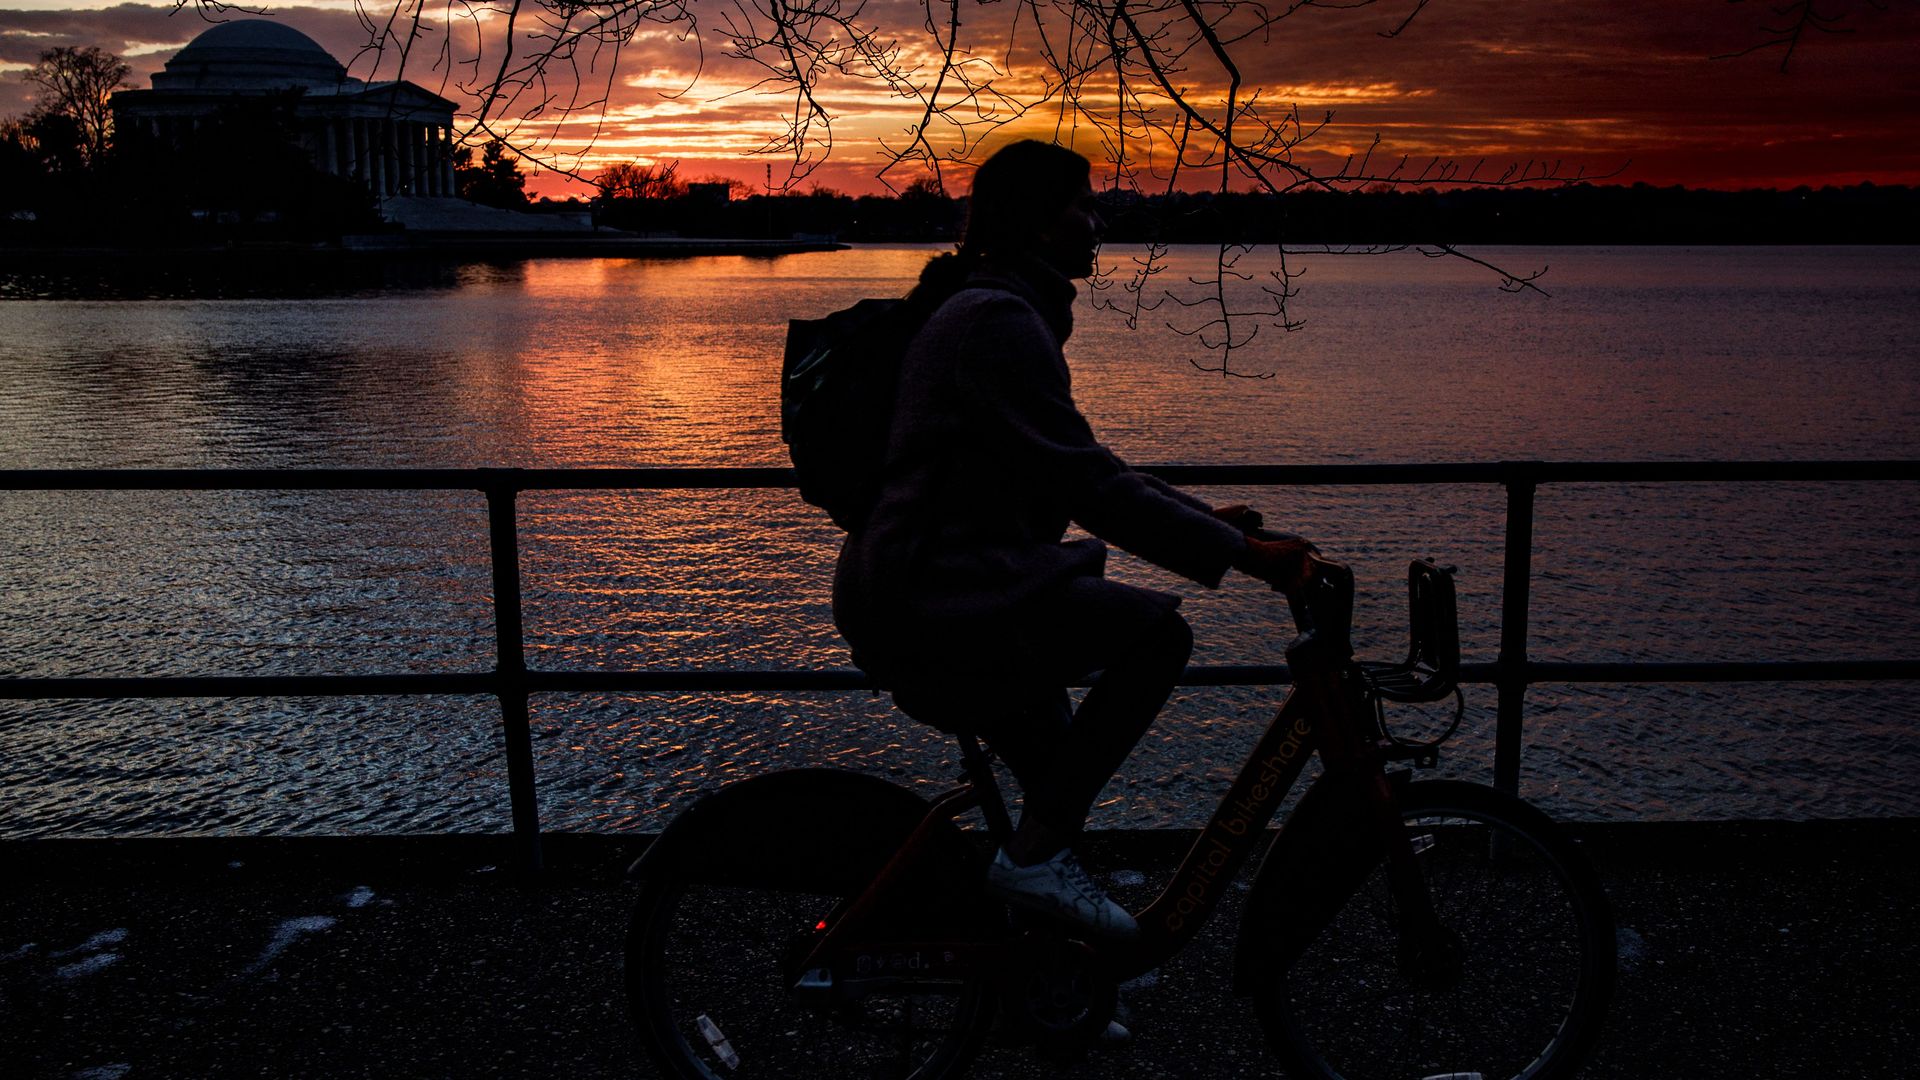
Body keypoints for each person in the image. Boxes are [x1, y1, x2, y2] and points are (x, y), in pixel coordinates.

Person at [832, 140, 1312, 938]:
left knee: (1057, 786)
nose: (1096, 224)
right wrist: (1246, 558)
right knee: (1156, 637)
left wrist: (1205, 524)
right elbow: (1087, 483)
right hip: (938, 592)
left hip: (938, 583)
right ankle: (1032, 865)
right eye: (1082, 207)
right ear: (1034, 218)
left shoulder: (998, 308)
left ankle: (1049, 989)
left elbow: (1079, 464)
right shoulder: (997, 321)